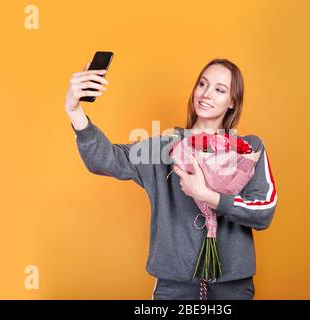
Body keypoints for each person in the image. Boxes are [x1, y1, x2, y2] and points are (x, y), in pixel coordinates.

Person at [65, 58, 278, 300]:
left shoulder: (248, 149)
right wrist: (74, 111)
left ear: (232, 102)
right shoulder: (163, 149)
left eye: (219, 90)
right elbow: (106, 159)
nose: (206, 94)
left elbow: (264, 211)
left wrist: (206, 195)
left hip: (233, 288)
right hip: (174, 289)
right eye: (202, 84)